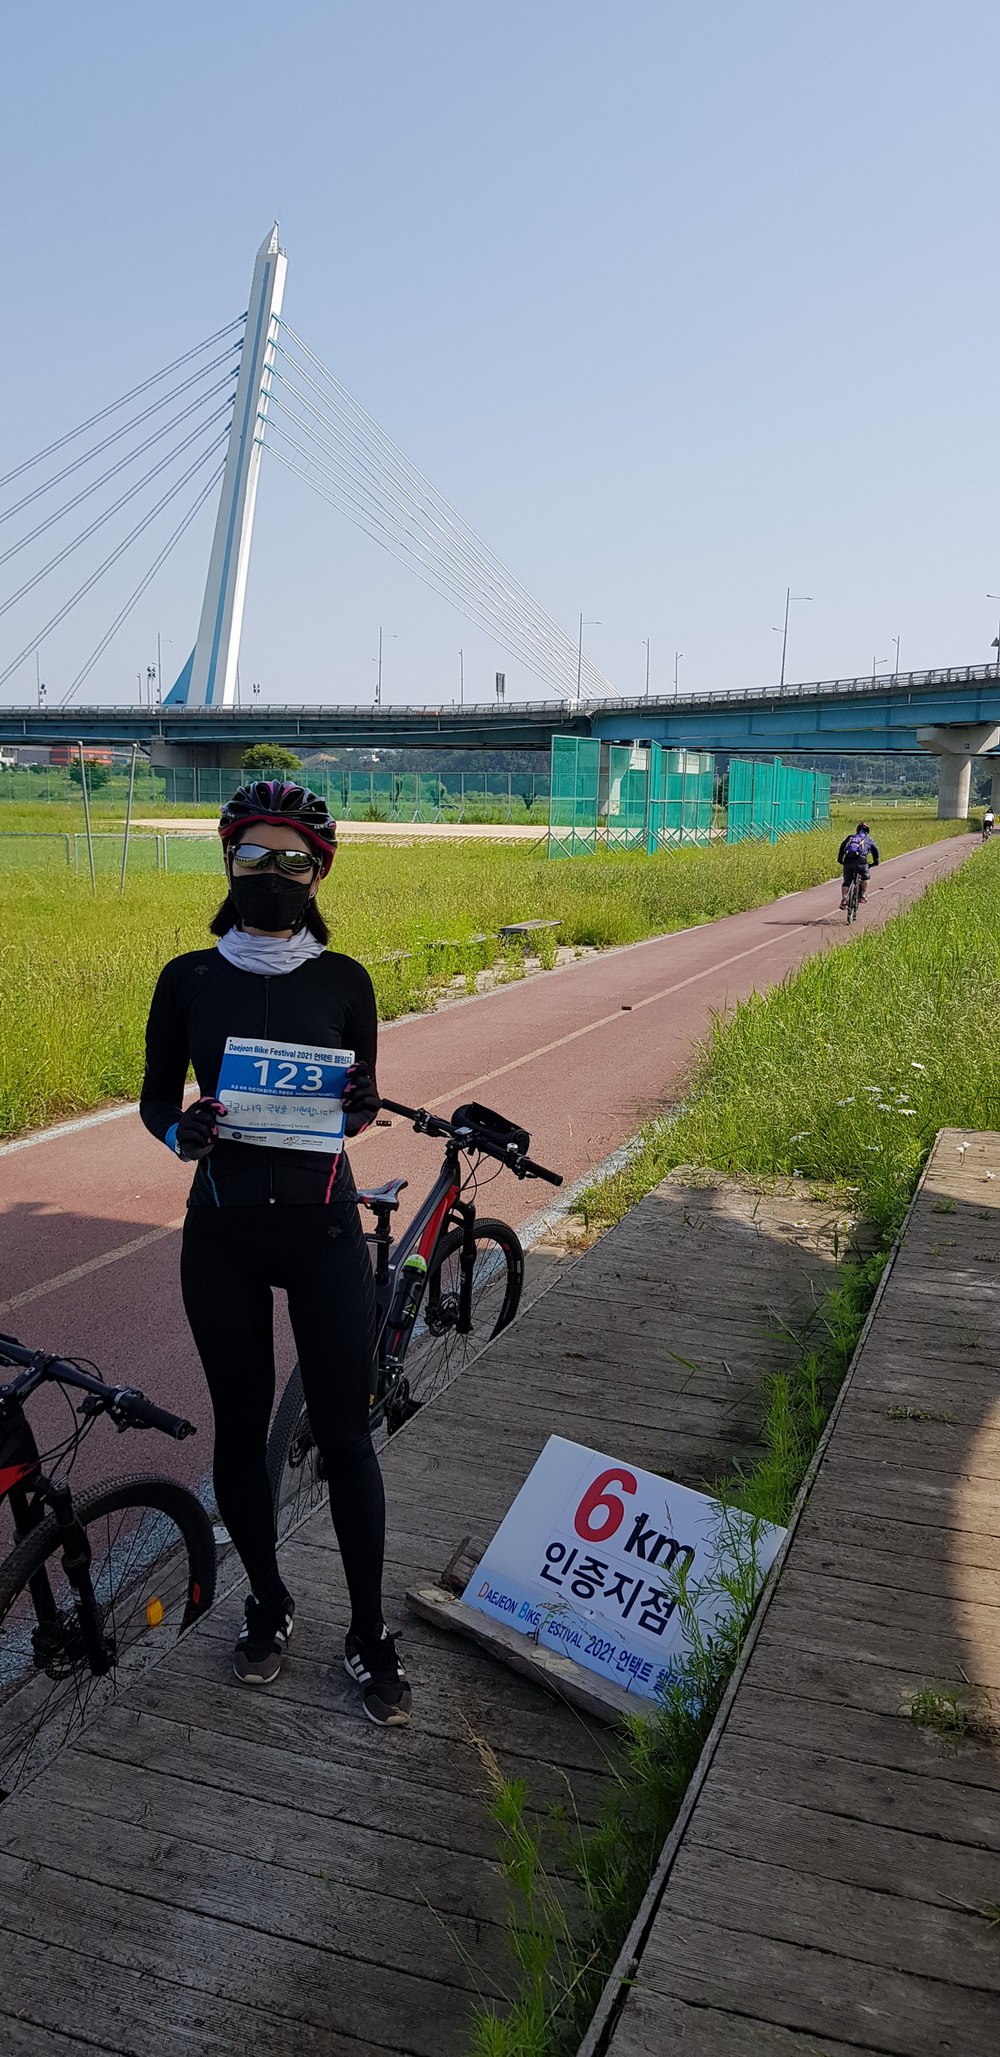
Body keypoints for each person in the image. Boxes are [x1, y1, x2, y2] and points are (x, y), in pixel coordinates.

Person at [140, 780, 411, 1726]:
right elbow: (155, 1099)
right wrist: (181, 1130)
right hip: (222, 1234)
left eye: (291, 859)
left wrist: (360, 1108)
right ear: (228, 862)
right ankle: (267, 1597)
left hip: (322, 1227)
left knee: (345, 1435)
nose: (271, 874)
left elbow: (357, 1106)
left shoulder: (346, 982)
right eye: (253, 856)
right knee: (241, 1431)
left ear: (318, 871)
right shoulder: (187, 978)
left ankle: (370, 1630)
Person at [837, 820, 880, 909]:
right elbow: (875, 851)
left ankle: (844, 899)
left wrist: (840, 860)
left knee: (846, 882)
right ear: (867, 831)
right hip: (861, 862)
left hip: (848, 862)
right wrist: (875, 862)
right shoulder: (869, 839)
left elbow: (842, 848)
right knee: (865, 877)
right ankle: (863, 894)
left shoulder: (850, 837)